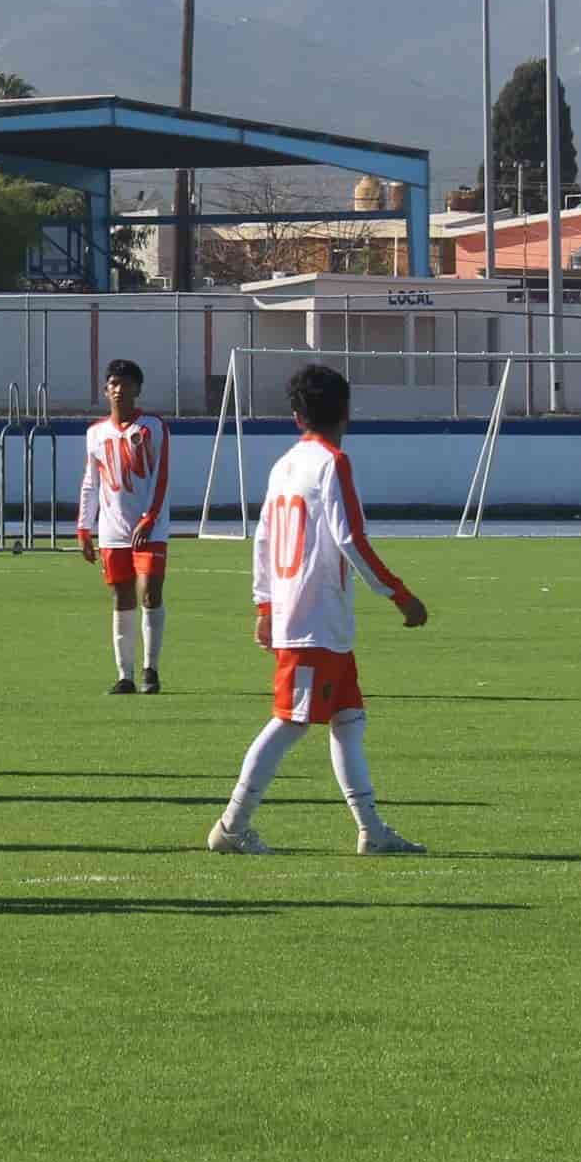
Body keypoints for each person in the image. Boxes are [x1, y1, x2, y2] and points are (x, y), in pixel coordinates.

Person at [207, 363, 429, 857]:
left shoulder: (284, 464)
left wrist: (264, 603)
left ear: (295, 416)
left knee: (348, 719)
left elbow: (263, 539)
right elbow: (351, 538)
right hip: (313, 618)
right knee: (291, 721)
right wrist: (399, 594)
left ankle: (371, 830)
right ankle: (231, 826)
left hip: (309, 617)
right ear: (346, 411)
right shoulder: (332, 463)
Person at [78, 359, 170, 695]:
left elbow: (161, 475)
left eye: (126, 383)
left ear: (137, 389)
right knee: (121, 597)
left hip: (150, 528)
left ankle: (151, 670)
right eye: (113, 383)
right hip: (112, 531)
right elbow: (90, 483)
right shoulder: (95, 433)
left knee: (150, 592)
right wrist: (84, 528)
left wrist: (150, 516)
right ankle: (125, 675)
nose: (119, 389)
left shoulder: (152, 427)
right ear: (105, 390)